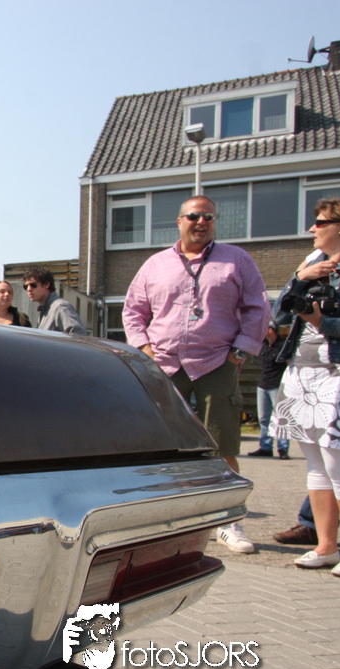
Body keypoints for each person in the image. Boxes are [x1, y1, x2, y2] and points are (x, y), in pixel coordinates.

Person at [122, 195, 270, 553]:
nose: (201, 222)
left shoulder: (237, 260)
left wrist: (240, 351)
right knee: (160, 445)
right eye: (193, 216)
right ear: (179, 221)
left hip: (216, 363)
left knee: (222, 444)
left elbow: (258, 306)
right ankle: (161, 519)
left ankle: (228, 522)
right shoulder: (155, 264)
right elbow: (133, 310)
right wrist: (144, 350)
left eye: (208, 217)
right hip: (164, 365)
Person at [270, 195, 340, 578]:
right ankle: (326, 547)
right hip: (303, 371)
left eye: (321, 222)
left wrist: (329, 324)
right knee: (315, 465)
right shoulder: (312, 262)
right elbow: (280, 314)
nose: (312, 228)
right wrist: (301, 279)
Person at [247, 323, 292, 459]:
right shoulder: (264, 345)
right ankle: (265, 447)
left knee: (281, 418)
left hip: (278, 386)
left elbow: (290, 364)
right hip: (263, 386)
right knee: (264, 418)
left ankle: (283, 449)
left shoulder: (283, 345)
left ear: (271, 330)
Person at [22, 267, 87, 334]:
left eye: (33, 285)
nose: (28, 289)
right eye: (26, 286)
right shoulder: (45, 310)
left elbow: (78, 334)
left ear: (47, 284)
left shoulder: (61, 307)